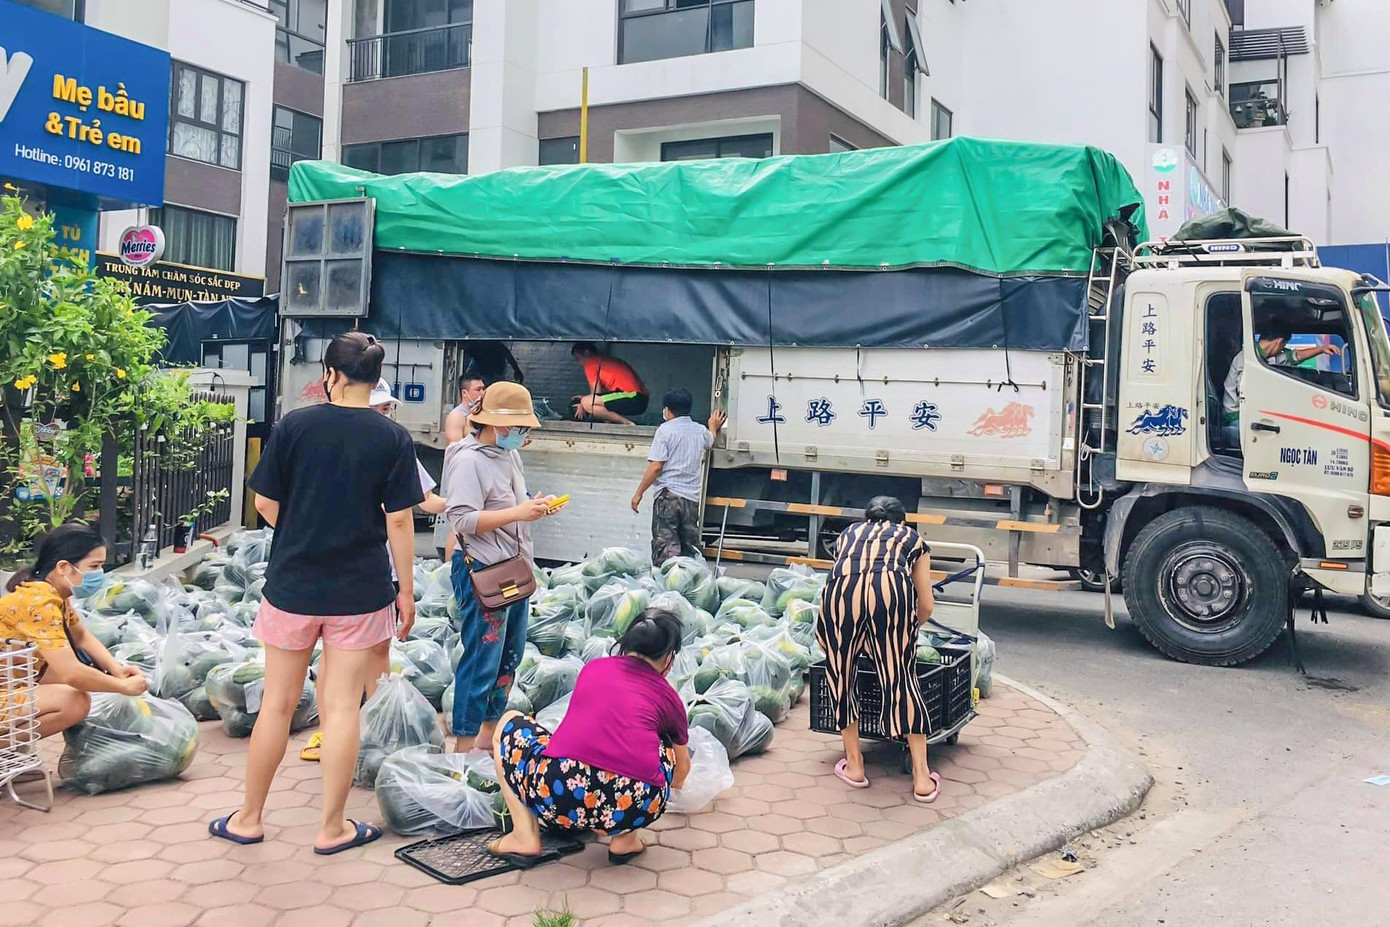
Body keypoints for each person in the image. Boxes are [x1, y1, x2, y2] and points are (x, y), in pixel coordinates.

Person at [211, 332, 423, 855]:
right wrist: (407, 592)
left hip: (292, 586)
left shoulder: (294, 426)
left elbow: (264, 503)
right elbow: (399, 521)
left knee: (277, 706)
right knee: (341, 707)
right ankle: (332, 828)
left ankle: (249, 818)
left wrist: (302, 531)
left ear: (331, 374)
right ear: (375, 380)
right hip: (361, 589)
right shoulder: (392, 438)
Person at [299, 379, 447, 763]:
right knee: (333, 657)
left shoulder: (394, 446)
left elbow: (424, 501)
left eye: (386, 410)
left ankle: (378, 730)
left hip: (373, 565)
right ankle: (329, 733)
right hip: (352, 564)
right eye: (378, 408)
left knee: (378, 649)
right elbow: (397, 518)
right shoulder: (329, 443)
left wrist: (471, 507)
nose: (383, 415)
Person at [489, 608, 690, 866]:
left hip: (559, 795)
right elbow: (681, 773)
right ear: (669, 660)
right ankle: (625, 841)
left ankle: (523, 836)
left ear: (625, 644)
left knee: (508, 722)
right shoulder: (668, 698)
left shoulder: (593, 669)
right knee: (664, 742)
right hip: (634, 805)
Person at [444, 380, 559, 753]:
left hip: (513, 567)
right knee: (481, 659)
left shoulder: (507, 455)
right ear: (500, 425)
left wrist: (534, 506)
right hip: (482, 570)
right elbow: (461, 518)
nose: (525, 434)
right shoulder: (468, 459)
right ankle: (461, 748)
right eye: (521, 427)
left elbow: (512, 503)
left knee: (509, 655)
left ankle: (487, 737)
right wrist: (517, 512)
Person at [817, 495, 941, 803]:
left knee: (841, 677)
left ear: (866, 518)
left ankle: (856, 765)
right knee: (901, 679)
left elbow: (848, 576)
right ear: (903, 520)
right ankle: (922, 777)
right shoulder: (912, 539)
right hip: (890, 596)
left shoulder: (848, 535)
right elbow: (925, 603)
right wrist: (908, 628)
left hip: (839, 598)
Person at [0, 524, 147, 737]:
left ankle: (15, 749)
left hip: (14, 680)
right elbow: (72, 673)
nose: (100, 574)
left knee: (88, 679)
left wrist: (116, 669)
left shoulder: (53, 592)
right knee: (74, 701)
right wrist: (121, 687)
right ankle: (8, 751)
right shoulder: (39, 602)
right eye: (94, 566)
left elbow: (81, 636)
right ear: (63, 567)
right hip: (9, 685)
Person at [630, 388, 726, 566]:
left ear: (667, 410)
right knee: (689, 550)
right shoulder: (699, 430)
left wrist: (639, 493)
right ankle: (688, 586)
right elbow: (710, 440)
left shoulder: (664, 431)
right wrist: (713, 425)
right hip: (691, 500)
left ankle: (665, 590)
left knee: (666, 551)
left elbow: (656, 466)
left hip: (668, 498)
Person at [1222, 322, 1342, 449]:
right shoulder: (1246, 359)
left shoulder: (1269, 357)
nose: (1283, 349)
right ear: (1279, 342)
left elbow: (1296, 356)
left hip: (1252, 415)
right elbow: (1247, 395)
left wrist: (1322, 349)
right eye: (1284, 345)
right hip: (1237, 418)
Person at [571, 342, 649, 425]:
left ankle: (627, 423)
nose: (579, 363)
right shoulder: (605, 361)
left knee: (587, 402)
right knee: (594, 405)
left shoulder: (591, 363)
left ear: (587, 353)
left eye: (578, 358)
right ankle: (616, 422)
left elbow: (595, 394)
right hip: (640, 399)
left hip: (632, 396)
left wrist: (582, 403)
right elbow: (604, 396)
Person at [445, 373, 487, 446]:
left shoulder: (483, 413)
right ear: (464, 393)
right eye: (478, 389)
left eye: (483, 389)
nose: (482, 393)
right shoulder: (456, 417)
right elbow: (455, 449)